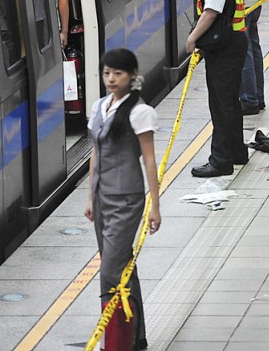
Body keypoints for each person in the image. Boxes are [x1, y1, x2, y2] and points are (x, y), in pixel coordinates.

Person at [84, 48, 160, 351]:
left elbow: (149, 160)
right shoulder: (99, 107)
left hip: (127, 199)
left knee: (110, 271)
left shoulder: (141, 112)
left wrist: (155, 206)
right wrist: (90, 197)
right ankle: (135, 337)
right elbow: (95, 152)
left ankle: (116, 342)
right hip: (103, 196)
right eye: (107, 73)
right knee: (122, 265)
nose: (111, 79)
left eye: (118, 73)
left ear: (132, 75)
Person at [186, 0, 249, 177]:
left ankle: (221, 160)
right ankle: (237, 151)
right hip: (233, 42)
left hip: (225, 48)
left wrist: (192, 39)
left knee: (221, 104)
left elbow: (211, 12)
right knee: (230, 101)